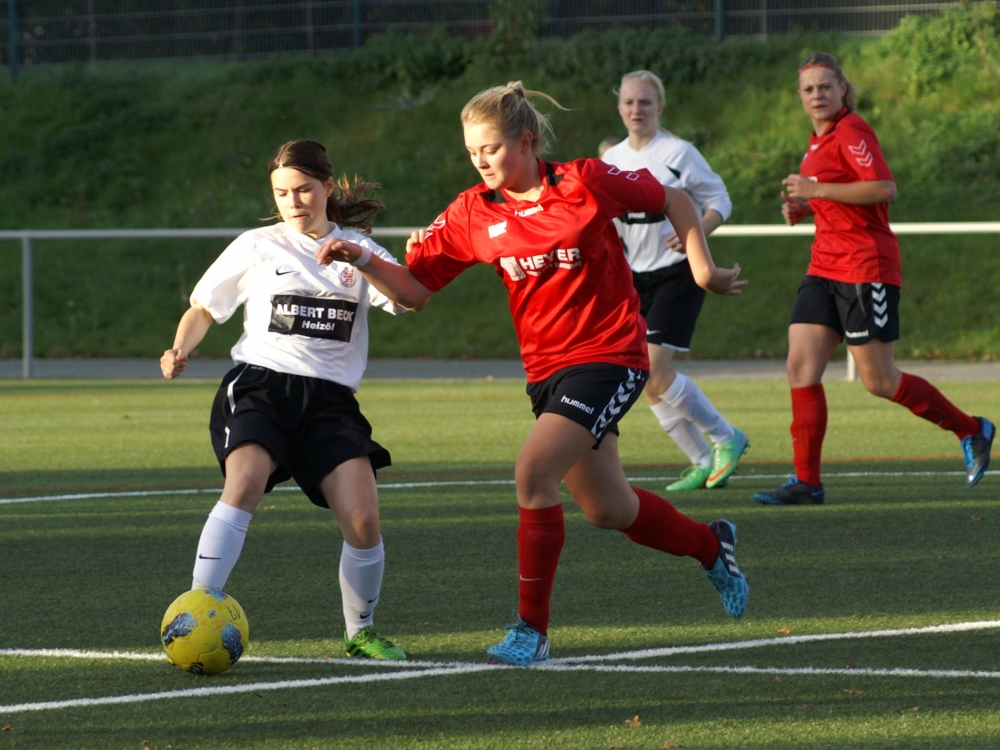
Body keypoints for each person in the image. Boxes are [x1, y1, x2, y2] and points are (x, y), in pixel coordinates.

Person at [314, 81, 751, 667]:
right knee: (607, 508)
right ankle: (710, 545)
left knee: (532, 472)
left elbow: (675, 199)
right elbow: (415, 291)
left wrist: (702, 270)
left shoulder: (585, 181)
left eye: (490, 149)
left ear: (525, 141)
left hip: (610, 353)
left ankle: (530, 631)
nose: (480, 161)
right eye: (472, 152)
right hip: (547, 371)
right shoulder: (472, 212)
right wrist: (363, 256)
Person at [160, 139, 408, 659]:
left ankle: (360, 631)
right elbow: (203, 308)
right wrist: (180, 347)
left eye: (303, 190)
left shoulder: (358, 251)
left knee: (363, 521)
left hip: (331, 403)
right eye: (282, 193)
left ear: (327, 189)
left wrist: (394, 257)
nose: (293, 201)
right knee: (245, 481)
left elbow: (407, 298)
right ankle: (196, 608)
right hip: (262, 386)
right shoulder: (257, 244)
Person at [753, 53, 995, 506]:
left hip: (865, 268)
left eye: (826, 86)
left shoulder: (851, 130)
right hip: (823, 267)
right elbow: (842, 193)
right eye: (808, 89)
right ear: (800, 97)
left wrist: (816, 190)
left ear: (843, 88)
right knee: (800, 368)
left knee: (879, 381)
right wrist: (807, 208)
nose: (817, 95)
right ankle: (808, 483)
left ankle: (972, 429)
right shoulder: (816, 141)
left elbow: (884, 189)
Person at [601, 70, 749, 492]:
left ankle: (726, 437)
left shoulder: (679, 153)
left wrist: (696, 231)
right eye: (629, 102)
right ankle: (701, 460)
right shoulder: (612, 160)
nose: (636, 110)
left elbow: (720, 199)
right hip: (633, 278)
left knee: (653, 369)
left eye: (645, 102)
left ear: (659, 108)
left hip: (677, 274)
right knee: (643, 378)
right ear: (619, 107)